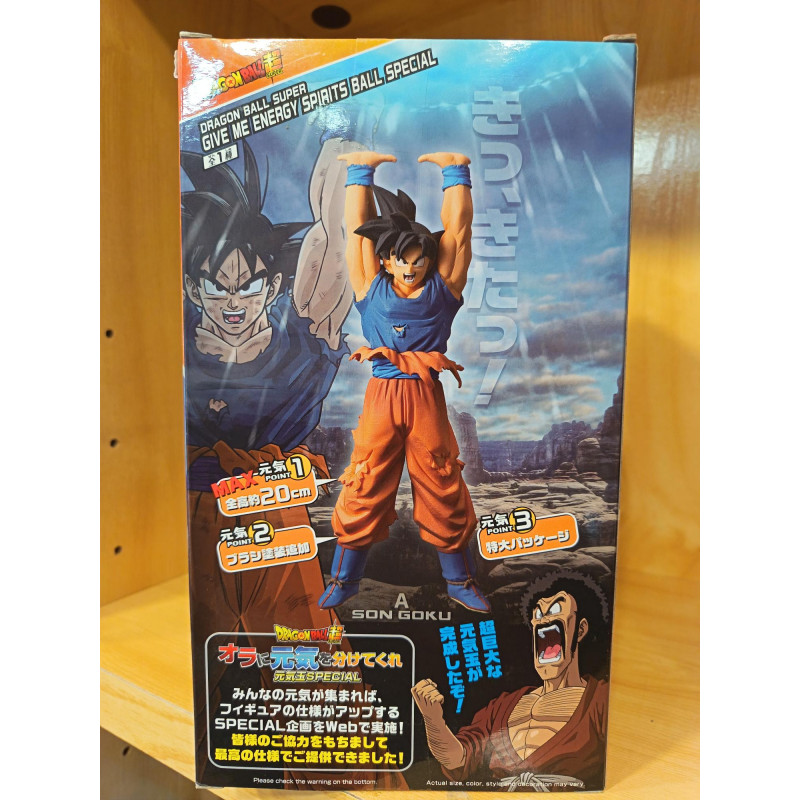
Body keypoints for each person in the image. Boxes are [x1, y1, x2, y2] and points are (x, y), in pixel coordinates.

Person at [317, 150, 489, 613]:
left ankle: (459, 581)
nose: (411, 268)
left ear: (428, 260)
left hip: (425, 395)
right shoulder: (370, 286)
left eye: (419, 259)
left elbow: (459, 232)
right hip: (382, 395)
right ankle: (344, 580)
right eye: (401, 259)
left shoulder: (443, 288)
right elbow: (356, 232)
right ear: (387, 261)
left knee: (442, 480)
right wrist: (360, 172)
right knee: (364, 479)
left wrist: (456, 172)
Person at [412, 571, 610, 791]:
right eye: (539, 613)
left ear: (580, 630)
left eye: (555, 610)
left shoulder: (601, 699)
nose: (544, 618)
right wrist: (433, 718)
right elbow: (456, 759)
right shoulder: (502, 706)